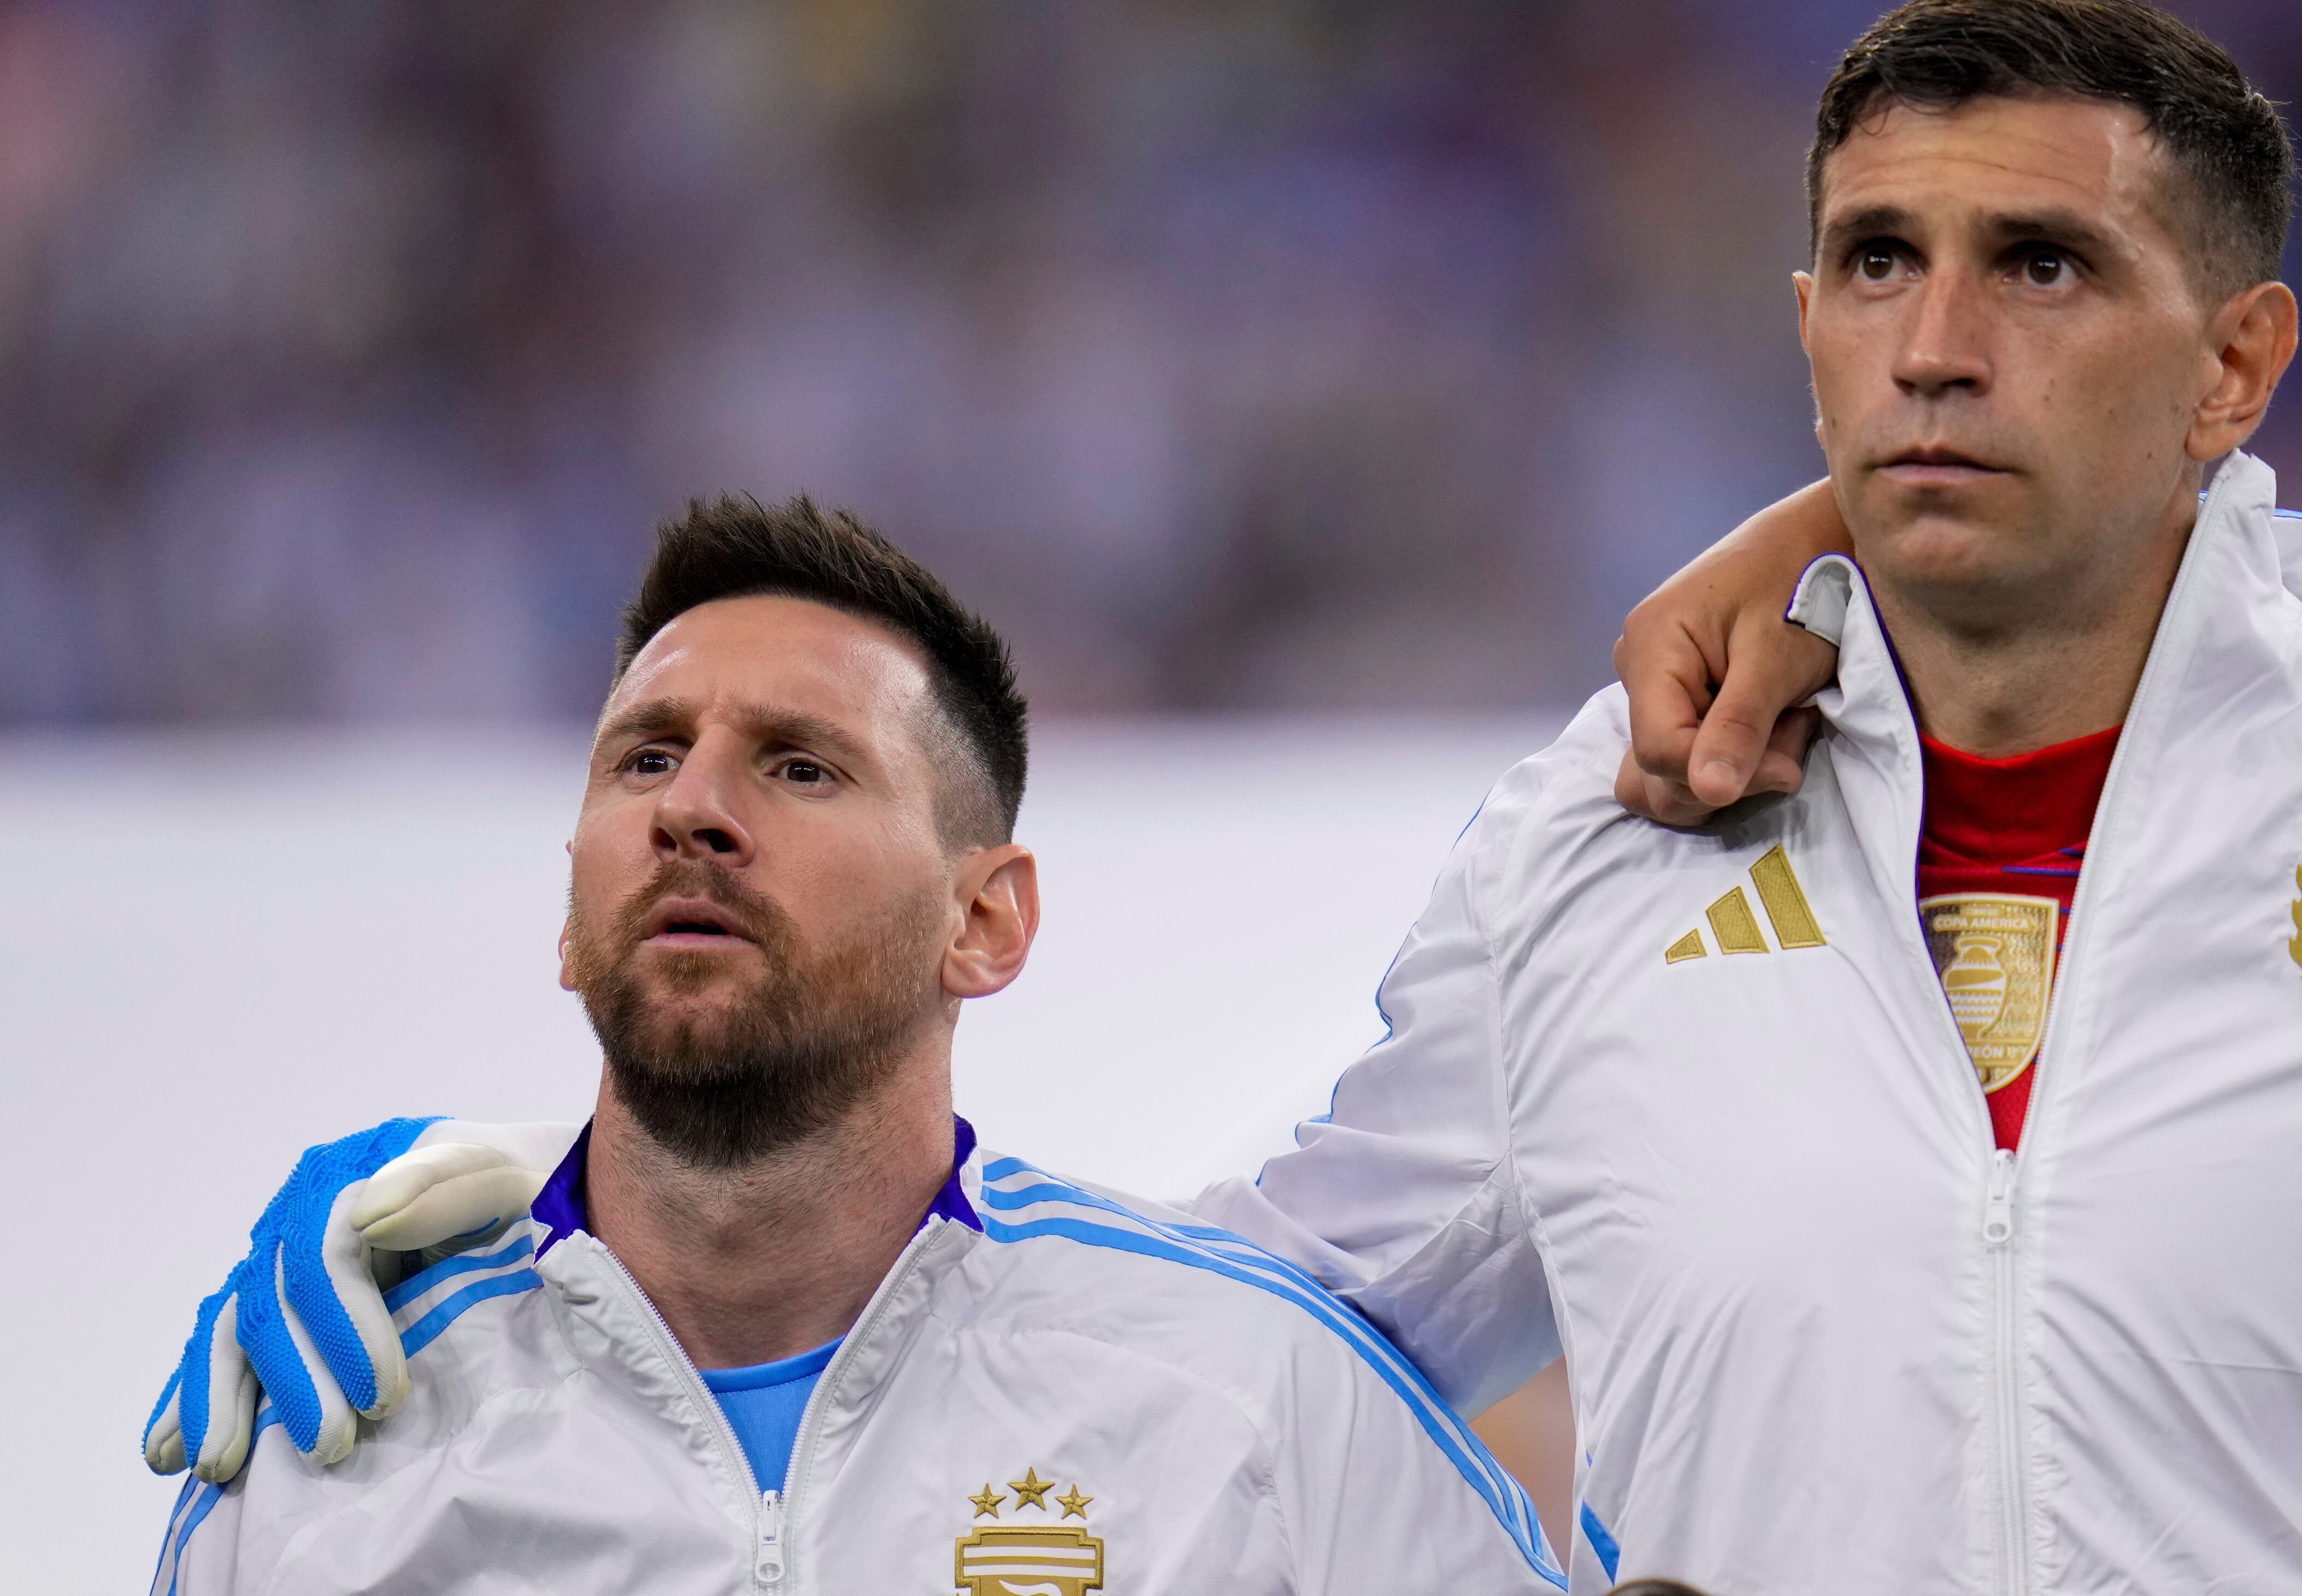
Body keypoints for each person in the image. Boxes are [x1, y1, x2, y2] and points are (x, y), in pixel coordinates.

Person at [154, 0, 2302, 1592]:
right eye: (1870, 263)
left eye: (2037, 268)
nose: (1932, 343)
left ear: (2235, 368)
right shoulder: (1612, 851)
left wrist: (2179, 561)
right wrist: (592, 1270)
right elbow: (1235, 1338)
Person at [143, 496, 1564, 1595]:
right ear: (572, 912)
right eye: (645, 757)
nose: (692, 807)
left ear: (987, 919)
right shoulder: (325, 1460)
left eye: (800, 766)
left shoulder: (1247, 1399)